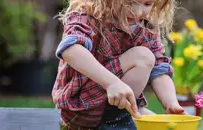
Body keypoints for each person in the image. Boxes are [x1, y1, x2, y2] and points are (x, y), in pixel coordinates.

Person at [52, 0, 186, 129]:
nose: (138, 12)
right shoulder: (87, 14)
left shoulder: (146, 26)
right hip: (81, 108)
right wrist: (112, 83)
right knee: (142, 57)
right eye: (129, 2)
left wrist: (171, 103)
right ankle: (117, 123)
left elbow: (159, 69)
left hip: (113, 108)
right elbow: (70, 49)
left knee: (163, 127)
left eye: (147, 4)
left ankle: (119, 119)